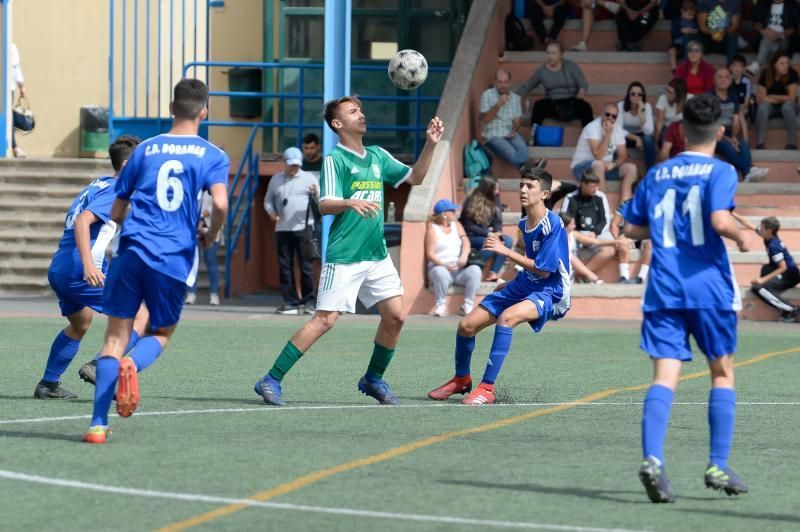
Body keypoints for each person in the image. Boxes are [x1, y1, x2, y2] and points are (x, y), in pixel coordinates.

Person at [253, 96, 444, 407]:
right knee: (325, 320)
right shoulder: (335, 160)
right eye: (353, 112)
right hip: (344, 256)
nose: (362, 115)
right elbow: (325, 203)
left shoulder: (378, 156)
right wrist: (349, 202)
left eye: (361, 110)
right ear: (337, 124)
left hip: (376, 255)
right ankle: (271, 378)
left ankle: (372, 378)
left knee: (396, 316)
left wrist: (431, 144)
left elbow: (417, 177)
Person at [83, 79, 230, 444]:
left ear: (170, 108)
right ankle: (135, 363)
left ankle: (98, 425)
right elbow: (222, 204)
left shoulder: (145, 150)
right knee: (160, 333)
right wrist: (210, 236)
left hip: (131, 251)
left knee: (114, 338)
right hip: (173, 256)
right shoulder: (212, 154)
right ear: (204, 111)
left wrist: (125, 223)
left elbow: (117, 208)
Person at [624, 93, 750, 503]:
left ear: (679, 130)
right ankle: (716, 463)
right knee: (722, 372)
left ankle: (653, 460)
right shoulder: (722, 171)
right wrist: (742, 234)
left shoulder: (657, 174)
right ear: (720, 131)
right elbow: (717, 219)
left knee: (664, 376)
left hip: (663, 289)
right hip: (708, 289)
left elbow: (632, 230)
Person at [427, 166, 570, 405]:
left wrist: (504, 251)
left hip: (551, 290)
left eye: (530, 186)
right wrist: (511, 284)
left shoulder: (552, 224)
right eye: (521, 185)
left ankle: (487, 389)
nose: (523, 190)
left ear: (544, 194)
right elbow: (531, 264)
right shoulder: (525, 223)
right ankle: (462, 379)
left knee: (507, 318)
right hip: (525, 283)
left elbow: (545, 270)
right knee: (466, 325)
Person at [36, 136, 149, 400]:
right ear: (125, 164)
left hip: (61, 267)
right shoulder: (114, 189)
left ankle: (48, 384)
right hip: (80, 269)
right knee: (143, 315)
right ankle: (100, 366)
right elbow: (83, 222)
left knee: (80, 322)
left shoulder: (99, 185)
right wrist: (88, 265)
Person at [263, 146, 320, 315]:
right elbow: (267, 201)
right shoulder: (276, 179)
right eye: (291, 164)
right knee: (284, 266)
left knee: (306, 267)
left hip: (304, 228)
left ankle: (309, 302)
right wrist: (272, 213)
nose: (294, 168)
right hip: (282, 229)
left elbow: (320, 199)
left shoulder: (309, 178)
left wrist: (315, 192)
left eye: (297, 164)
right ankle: (291, 302)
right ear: (284, 163)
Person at [561, 170, 634, 283]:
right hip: (577, 234)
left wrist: (595, 232)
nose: (595, 189)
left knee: (611, 250)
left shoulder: (600, 196)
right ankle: (586, 275)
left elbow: (605, 219)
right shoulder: (570, 198)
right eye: (592, 186)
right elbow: (565, 220)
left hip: (598, 233)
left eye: (596, 186)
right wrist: (580, 234)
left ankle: (581, 274)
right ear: (583, 184)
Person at [732, 212, 799, 321]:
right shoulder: (768, 236)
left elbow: (783, 267)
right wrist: (732, 213)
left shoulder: (774, 246)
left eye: (762, 228)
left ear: (769, 231)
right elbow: (747, 223)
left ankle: (790, 309)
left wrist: (762, 280)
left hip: (790, 276)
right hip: (785, 272)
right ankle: (771, 288)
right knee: (766, 268)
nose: (759, 229)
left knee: (758, 288)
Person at [516, 42, 594, 128]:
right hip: (552, 103)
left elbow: (582, 83)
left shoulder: (571, 66)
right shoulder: (542, 71)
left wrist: (582, 90)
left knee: (586, 107)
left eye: (554, 53)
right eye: (548, 53)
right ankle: (533, 137)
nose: (550, 56)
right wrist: (513, 97)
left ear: (561, 54)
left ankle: (590, 138)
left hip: (571, 102)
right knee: (539, 106)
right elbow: (527, 86)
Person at [711, 67, 769, 182]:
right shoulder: (709, 97)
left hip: (729, 133)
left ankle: (748, 172)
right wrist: (727, 139)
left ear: (730, 79)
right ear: (714, 79)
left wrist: (733, 136)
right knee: (727, 146)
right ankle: (749, 170)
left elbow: (736, 119)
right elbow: (710, 124)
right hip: (713, 135)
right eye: (720, 77)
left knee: (744, 144)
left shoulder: (732, 96)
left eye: (726, 77)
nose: (723, 80)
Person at [426, 199, 482, 317]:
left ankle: (467, 305)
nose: (455, 213)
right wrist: (444, 265)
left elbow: (466, 241)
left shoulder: (456, 225)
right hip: (441, 267)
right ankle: (441, 305)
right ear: (444, 214)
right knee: (440, 272)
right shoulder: (433, 229)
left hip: (458, 269)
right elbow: (430, 254)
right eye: (452, 211)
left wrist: (464, 256)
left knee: (475, 270)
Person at [570, 102, 638, 199]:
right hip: (582, 168)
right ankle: (602, 205)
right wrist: (608, 135)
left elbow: (623, 156)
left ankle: (623, 208)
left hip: (605, 168)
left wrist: (613, 164)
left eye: (614, 116)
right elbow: (598, 156)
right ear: (602, 113)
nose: (610, 118)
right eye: (607, 114)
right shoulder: (592, 127)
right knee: (599, 164)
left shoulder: (617, 130)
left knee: (631, 168)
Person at [460, 176, 514, 282]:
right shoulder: (472, 200)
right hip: (471, 235)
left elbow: (497, 220)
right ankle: (471, 265)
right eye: (495, 189)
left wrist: (498, 233)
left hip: (486, 234)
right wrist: (488, 234)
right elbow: (468, 226)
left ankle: (493, 273)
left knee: (507, 241)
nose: (498, 191)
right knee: (491, 244)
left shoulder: (495, 198)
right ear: (487, 189)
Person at [479, 69, 527, 168]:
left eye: (505, 82)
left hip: (509, 132)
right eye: (500, 82)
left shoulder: (515, 98)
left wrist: (515, 129)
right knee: (511, 153)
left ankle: (529, 169)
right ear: (495, 82)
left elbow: (517, 122)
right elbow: (485, 120)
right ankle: (532, 169)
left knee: (523, 150)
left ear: (509, 82)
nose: (503, 85)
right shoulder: (487, 95)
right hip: (493, 134)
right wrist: (499, 104)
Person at [185, 191, 222, 306]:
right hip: (192, 229)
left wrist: (201, 216)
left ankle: (214, 294)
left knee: (211, 261)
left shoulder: (214, 185)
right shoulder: (193, 185)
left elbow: (219, 206)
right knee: (192, 262)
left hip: (210, 228)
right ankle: (191, 293)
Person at [755, 52, 798, 150]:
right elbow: (761, 98)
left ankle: (792, 144)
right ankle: (760, 144)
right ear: (774, 64)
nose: (785, 66)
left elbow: (792, 98)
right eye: (781, 63)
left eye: (786, 63)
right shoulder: (766, 73)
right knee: (763, 107)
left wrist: (773, 96)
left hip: (789, 107)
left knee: (787, 106)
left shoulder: (792, 73)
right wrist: (782, 98)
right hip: (771, 108)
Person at [747, 0, 798, 77]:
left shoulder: (792, 5)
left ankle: (758, 64)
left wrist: (780, 35)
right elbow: (757, 21)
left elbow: (794, 28)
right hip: (767, 36)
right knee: (767, 41)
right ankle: (759, 64)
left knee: (776, 48)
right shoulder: (763, 3)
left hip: (784, 37)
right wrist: (763, 31)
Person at [618, 82, 656, 169]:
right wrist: (636, 138)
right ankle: (617, 169)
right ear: (628, 94)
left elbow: (649, 131)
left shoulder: (647, 106)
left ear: (643, 96)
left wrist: (640, 113)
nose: (636, 96)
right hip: (626, 136)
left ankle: (650, 170)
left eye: (639, 94)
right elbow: (618, 129)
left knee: (648, 140)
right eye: (633, 94)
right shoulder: (621, 105)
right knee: (615, 139)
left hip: (641, 135)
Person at [696, 0, 741, 65]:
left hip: (725, 40)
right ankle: (690, 69)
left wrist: (722, 32)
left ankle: (731, 68)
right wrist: (714, 33)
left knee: (732, 36)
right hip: (707, 39)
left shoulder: (735, 2)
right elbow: (702, 27)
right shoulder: (703, 1)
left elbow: (735, 26)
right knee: (693, 37)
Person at [655, 78, 690, 144]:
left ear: (679, 94)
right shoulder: (663, 98)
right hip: (667, 127)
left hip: (684, 129)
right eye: (667, 91)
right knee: (663, 140)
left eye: (671, 93)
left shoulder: (689, 99)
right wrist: (656, 142)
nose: (668, 94)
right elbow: (660, 123)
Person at [668, 0, 699, 72]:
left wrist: (692, 31)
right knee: (672, 51)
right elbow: (673, 34)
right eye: (689, 14)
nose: (691, 17)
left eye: (693, 15)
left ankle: (688, 66)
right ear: (682, 11)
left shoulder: (694, 21)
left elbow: (697, 31)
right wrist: (681, 31)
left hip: (689, 46)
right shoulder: (676, 20)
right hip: (677, 45)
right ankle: (674, 69)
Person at [9, 42, 26, 158]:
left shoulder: (11, 47)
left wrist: (21, 86)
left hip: (7, 89)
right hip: (7, 88)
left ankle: (14, 147)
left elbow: (16, 67)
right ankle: (15, 147)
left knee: (9, 118)